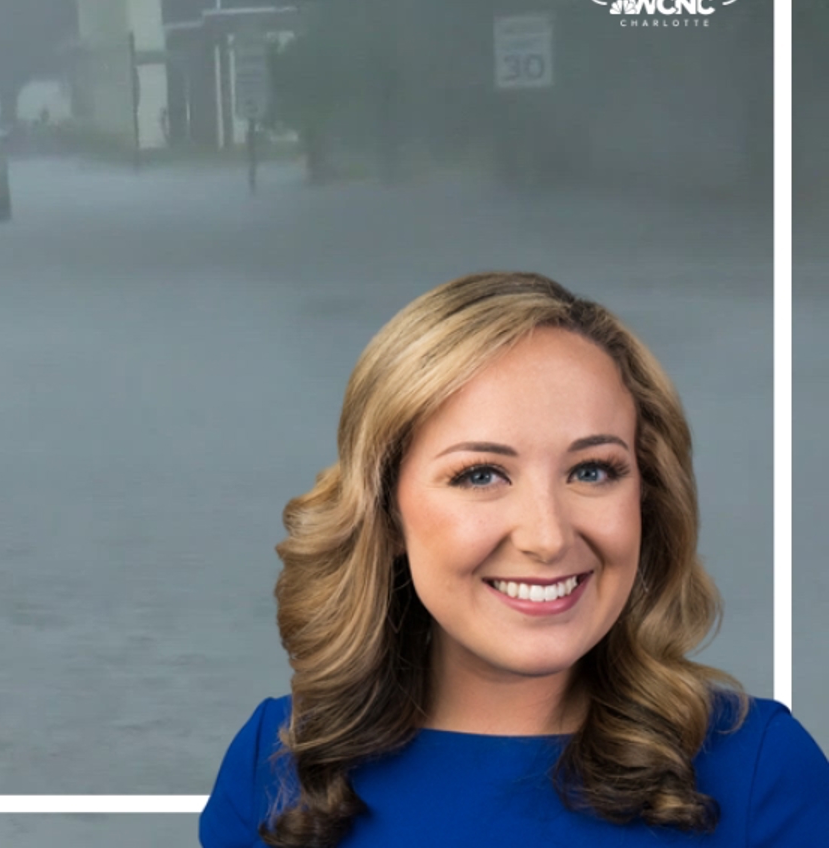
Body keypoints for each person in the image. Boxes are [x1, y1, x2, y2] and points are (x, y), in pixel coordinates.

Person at [201, 271, 829, 847]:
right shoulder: (276, 765)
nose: (548, 536)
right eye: (480, 475)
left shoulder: (760, 772)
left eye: (592, 470)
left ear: (648, 496)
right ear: (387, 513)